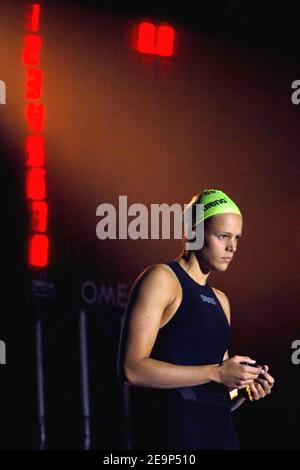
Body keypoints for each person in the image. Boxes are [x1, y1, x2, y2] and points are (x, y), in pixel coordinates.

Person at [117, 189, 275, 450]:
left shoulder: (221, 300)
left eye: (237, 238)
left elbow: (213, 394)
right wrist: (217, 372)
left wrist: (242, 389)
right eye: (223, 236)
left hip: (222, 438)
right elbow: (132, 369)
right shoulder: (162, 279)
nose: (232, 247)